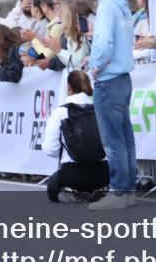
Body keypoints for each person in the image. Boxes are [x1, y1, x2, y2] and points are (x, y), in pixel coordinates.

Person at [86, 0, 138, 211]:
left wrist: (95, 65)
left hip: (109, 77)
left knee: (113, 139)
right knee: (124, 137)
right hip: (123, 76)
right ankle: (127, 190)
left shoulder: (106, 6)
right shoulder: (121, 5)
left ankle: (119, 190)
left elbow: (105, 41)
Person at [42, 70, 110, 203]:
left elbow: (50, 149)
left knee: (52, 187)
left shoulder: (60, 112)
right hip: (102, 173)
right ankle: (99, 191)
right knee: (97, 180)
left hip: (72, 173)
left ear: (69, 88)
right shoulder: (102, 110)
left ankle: (75, 193)